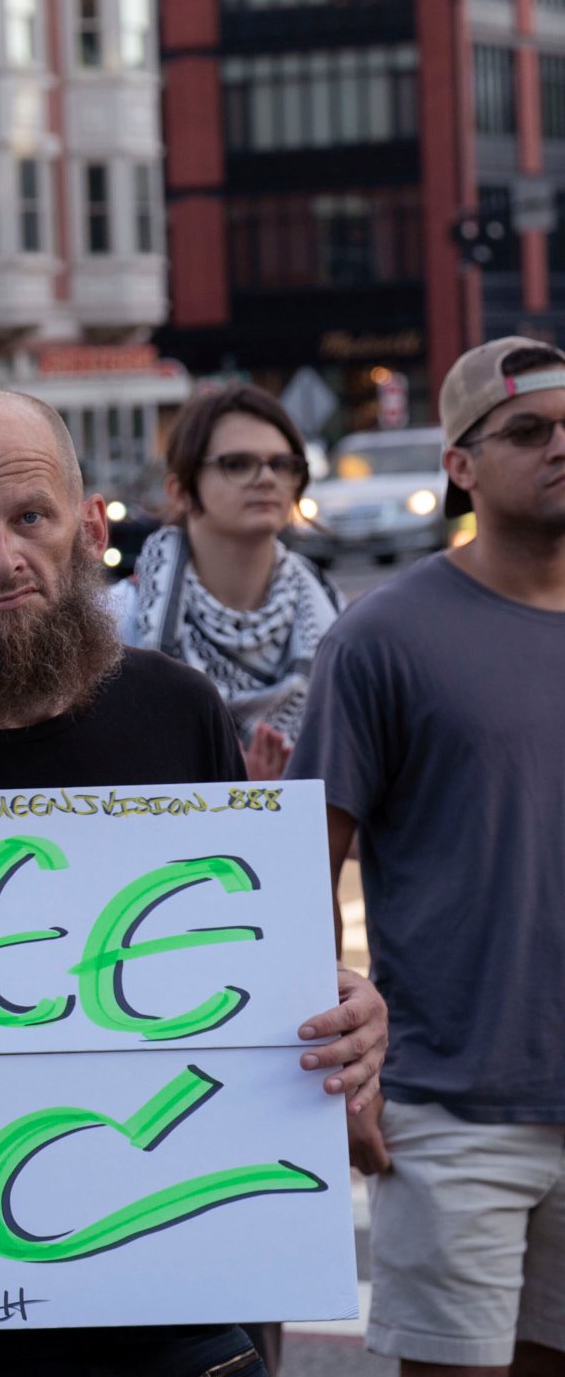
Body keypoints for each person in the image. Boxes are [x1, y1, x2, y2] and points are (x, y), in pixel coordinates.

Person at [0, 388, 390, 1376]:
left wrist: (340, 1008)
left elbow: (240, 974)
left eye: (29, 519)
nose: (0, 558)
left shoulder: (176, 713)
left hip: (177, 1313)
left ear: (89, 528)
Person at [291, 335, 565, 1377]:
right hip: (451, 1111)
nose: (557, 448)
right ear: (459, 464)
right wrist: (344, 1077)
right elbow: (299, 873)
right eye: (528, 431)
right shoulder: (382, 638)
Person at [115, 384, 341, 782]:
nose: (267, 478)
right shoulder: (119, 621)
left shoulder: (337, 618)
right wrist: (237, 800)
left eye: (283, 464)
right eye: (237, 464)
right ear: (181, 490)